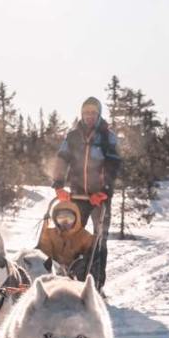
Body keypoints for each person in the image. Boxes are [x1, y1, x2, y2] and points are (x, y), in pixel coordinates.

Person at [51, 96, 122, 292]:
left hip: (100, 198)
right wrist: (58, 185)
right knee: (71, 235)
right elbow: (62, 159)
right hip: (77, 195)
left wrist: (104, 190)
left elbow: (113, 165)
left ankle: (96, 285)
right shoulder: (73, 136)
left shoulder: (107, 137)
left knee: (99, 239)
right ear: (81, 114)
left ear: (98, 115)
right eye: (86, 112)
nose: (89, 116)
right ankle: (71, 279)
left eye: (93, 112)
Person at [37, 199, 96, 278]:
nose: (65, 223)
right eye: (61, 219)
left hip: (75, 277)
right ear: (55, 219)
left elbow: (88, 260)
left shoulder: (85, 237)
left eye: (69, 219)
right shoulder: (49, 234)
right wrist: (55, 267)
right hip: (51, 274)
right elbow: (45, 253)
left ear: (76, 219)